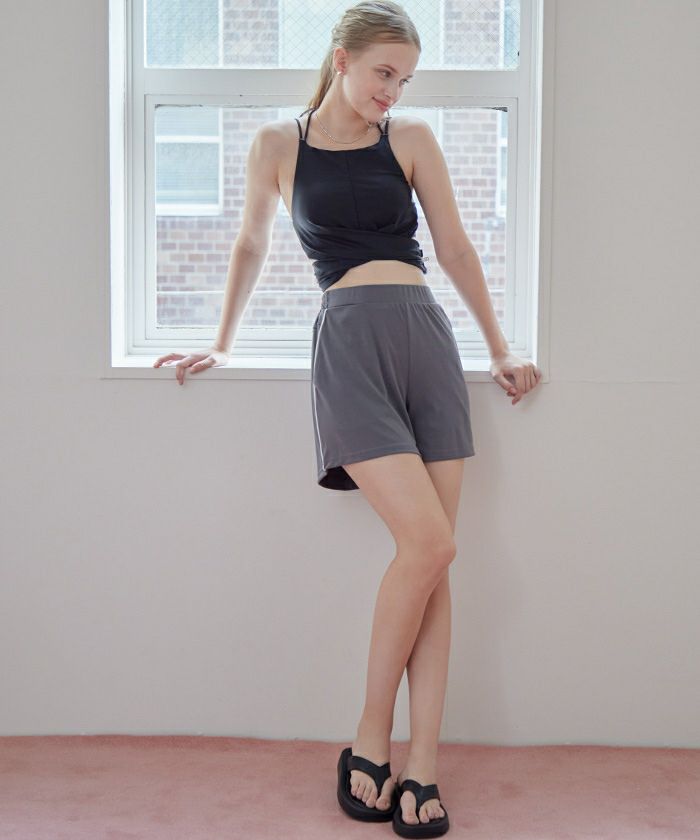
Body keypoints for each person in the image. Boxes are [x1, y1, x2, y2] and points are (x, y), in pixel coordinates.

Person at [155, 1, 541, 835]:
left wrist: (501, 347)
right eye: (383, 73)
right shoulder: (276, 146)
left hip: (425, 340)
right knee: (429, 544)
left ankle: (422, 761)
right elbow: (250, 244)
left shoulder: (410, 140)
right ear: (342, 60)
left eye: (404, 79)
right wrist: (220, 342)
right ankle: (371, 736)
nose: (392, 91)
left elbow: (455, 247)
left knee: (435, 564)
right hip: (350, 345)